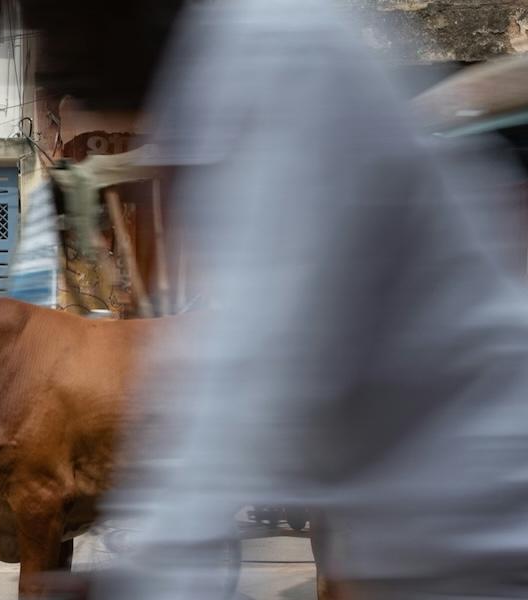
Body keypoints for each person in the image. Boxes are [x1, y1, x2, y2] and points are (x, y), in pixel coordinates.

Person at [82, 0, 528, 598]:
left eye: (49, 23)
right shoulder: (207, 85)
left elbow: (258, 355)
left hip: (486, 528)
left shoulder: (276, 46)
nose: (49, 62)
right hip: (419, 536)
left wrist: (162, 562)